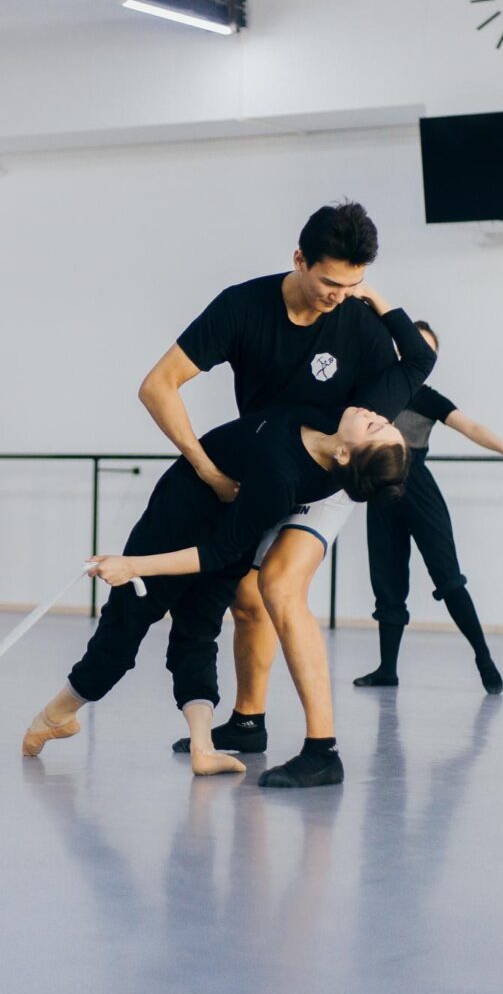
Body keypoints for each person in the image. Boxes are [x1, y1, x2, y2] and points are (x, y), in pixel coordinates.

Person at [27, 298, 437, 789]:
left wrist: (133, 565)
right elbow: (420, 359)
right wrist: (371, 294)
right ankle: (173, 739)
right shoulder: (338, 419)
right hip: (209, 514)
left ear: (348, 454)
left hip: (192, 517)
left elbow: (217, 552)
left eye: (375, 425)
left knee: (156, 626)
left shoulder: (287, 479)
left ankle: (61, 716)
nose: (376, 413)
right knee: (168, 628)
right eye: (384, 420)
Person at [140, 201, 402, 758]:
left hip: (331, 473)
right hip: (268, 468)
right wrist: (206, 468)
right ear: (299, 259)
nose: (339, 296)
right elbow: (158, 385)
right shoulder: (243, 306)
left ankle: (322, 751)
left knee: (278, 586)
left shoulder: (358, 321)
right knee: (244, 598)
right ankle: (248, 721)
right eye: (330, 282)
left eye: (353, 285)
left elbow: (404, 381)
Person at [353, 321, 503, 694]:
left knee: (448, 577)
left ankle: (483, 657)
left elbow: (472, 427)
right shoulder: (373, 392)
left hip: (419, 489)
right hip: (381, 493)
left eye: (428, 352)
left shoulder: (427, 397)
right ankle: (387, 669)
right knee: (387, 581)